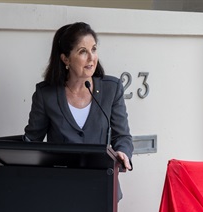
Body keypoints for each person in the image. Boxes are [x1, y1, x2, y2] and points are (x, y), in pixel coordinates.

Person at [24, 22, 133, 174]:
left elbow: (122, 136)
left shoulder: (112, 88)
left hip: (102, 184)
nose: (91, 58)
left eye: (93, 49)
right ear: (65, 59)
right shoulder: (46, 94)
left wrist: (123, 152)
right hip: (60, 184)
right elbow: (32, 142)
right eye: (83, 52)